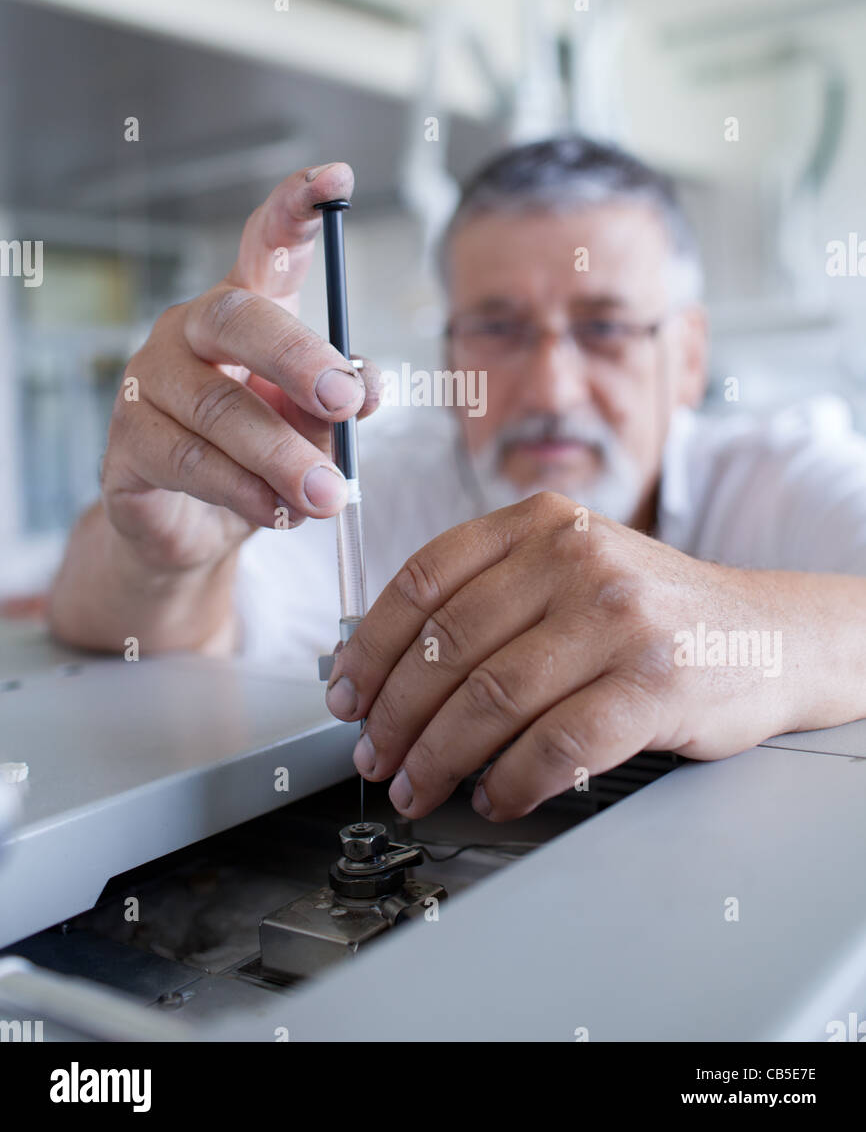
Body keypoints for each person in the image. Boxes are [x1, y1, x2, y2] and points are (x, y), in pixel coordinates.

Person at [50, 137, 866, 821]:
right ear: (449, 355)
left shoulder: (779, 473)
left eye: (606, 327)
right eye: (499, 329)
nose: (551, 389)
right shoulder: (377, 482)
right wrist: (162, 555)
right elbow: (132, 624)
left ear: (687, 356)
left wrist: (734, 629)